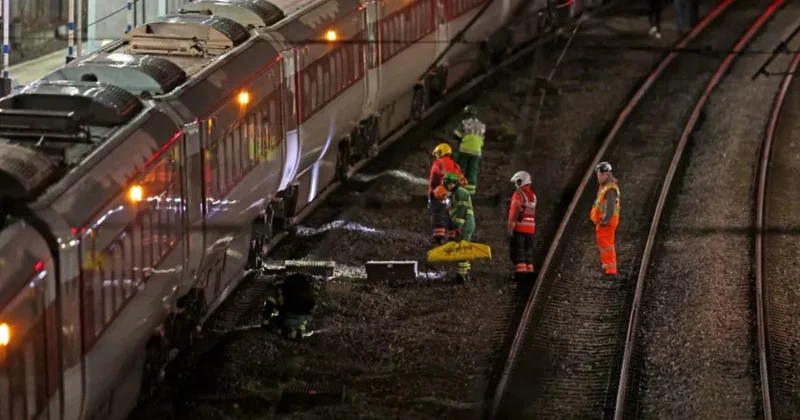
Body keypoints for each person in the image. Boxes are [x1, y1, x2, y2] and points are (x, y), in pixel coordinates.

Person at [441, 172, 475, 282]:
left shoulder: (460, 193)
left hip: (465, 224)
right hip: (464, 224)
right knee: (464, 247)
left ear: (455, 183)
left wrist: (459, 226)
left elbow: (462, 210)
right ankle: (466, 273)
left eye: (450, 184)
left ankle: (461, 275)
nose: (448, 186)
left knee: (462, 249)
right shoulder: (456, 193)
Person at [262, 272, 316, 339]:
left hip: (288, 317)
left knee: (275, 322)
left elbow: (270, 303)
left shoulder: (279, 290)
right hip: (301, 318)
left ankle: (285, 331)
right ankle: (299, 330)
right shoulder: (305, 289)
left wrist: (266, 322)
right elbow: (311, 305)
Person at [589, 162, 620, 276]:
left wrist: (605, 221)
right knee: (604, 245)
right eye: (598, 175)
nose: (599, 177)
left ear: (607, 175)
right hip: (603, 222)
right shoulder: (605, 186)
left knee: (607, 245)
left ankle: (611, 269)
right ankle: (607, 265)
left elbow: (610, 207)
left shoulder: (610, 189)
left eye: (601, 175)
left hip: (607, 222)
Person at [429, 143, 463, 244]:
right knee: (450, 215)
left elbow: (434, 179)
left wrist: (433, 191)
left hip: (439, 193)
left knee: (438, 213)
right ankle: (452, 238)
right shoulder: (455, 165)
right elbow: (459, 179)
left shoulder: (438, 163)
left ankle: (439, 238)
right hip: (451, 194)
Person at [507, 171, 537, 282]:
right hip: (531, 229)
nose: (516, 185)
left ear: (520, 181)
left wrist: (511, 227)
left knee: (518, 252)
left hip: (520, 228)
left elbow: (515, 211)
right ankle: (530, 274)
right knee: (527, 253)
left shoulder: (518, 194)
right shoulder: (533, 196)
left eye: (517, 182)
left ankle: (521, 276)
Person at [452, 105, 486, 196]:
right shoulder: (481, 125)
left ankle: (452, 186)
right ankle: (470, 192)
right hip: (477, 151)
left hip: (465, 149)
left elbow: (456, 135)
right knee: (472, 171)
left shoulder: (465, 123)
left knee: (458, 168)